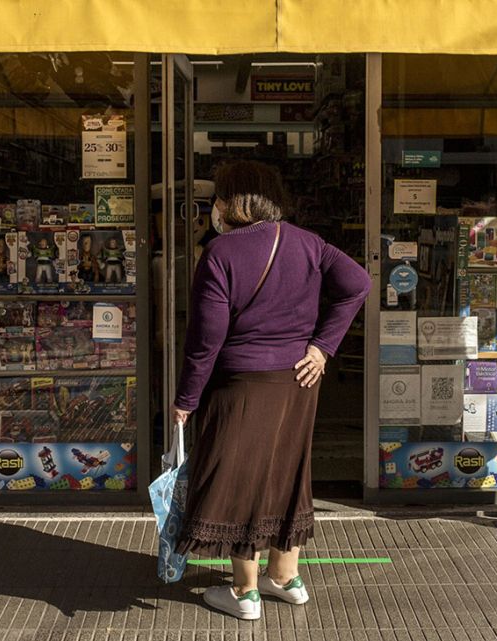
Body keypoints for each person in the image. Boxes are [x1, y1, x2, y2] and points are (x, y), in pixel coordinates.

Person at [169, 160, 370, 620]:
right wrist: (322, 347)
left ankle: (244, 592)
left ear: (234, 201)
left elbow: (205, 341)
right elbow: (358, 283)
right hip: (299, 381)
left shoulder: (220, 253)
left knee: (240, 479)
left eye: (218, 198)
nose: (214, 207)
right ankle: (285, 578)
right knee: (287, 473)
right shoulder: (308, 242)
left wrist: (185, 400)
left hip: (240, 384)